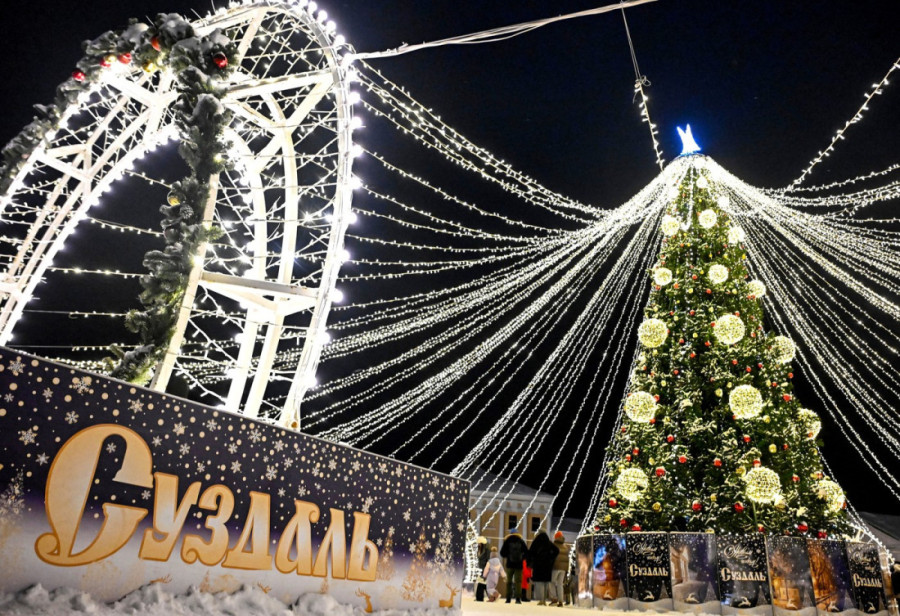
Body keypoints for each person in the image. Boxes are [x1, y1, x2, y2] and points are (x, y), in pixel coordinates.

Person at [528, 531, 560, 606]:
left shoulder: (536, 542)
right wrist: (551, 558)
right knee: (545, 583)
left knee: (539, 583)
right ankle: (544, 600)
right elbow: (556, 550)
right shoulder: (548, 542)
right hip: (547, 566)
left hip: (538, 565)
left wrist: (532, 561)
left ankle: (541, 600)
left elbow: (530, 553)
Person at [500, 531, 527, 604]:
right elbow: (527, 552)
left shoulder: (507, 541)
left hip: (510, 564)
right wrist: (522, 558)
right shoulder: (521, 541)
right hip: (519, 565)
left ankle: (508, 598)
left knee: (509, 581)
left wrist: (508, 556)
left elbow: (502, 553)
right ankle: (518, 599)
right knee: (518, 582)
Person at [551, 531, 570, 607]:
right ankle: (561, 601)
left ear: (556, 538)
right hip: (563, 568)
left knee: (551, 582)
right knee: (560, 584)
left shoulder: (553, 545)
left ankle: (554, 599)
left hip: (555, 567)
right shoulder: (565, 546)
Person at [475, 536, 490, 602]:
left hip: (486, 569)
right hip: (482, 569)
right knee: (484, 584)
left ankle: (480, 598)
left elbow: (489, 560)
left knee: (481, 583)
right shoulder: (479, 550)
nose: (478, 544)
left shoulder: (487, 550)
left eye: (479, 543)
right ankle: (491, 596)